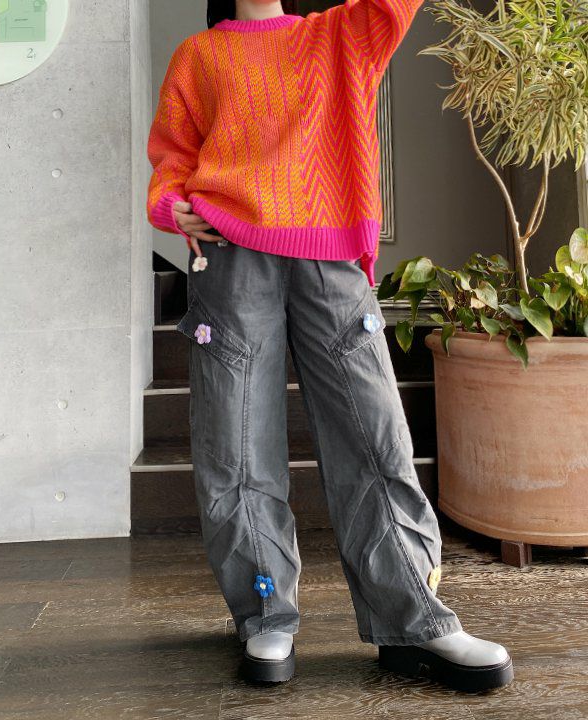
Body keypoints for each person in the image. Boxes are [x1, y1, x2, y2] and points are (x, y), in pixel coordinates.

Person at [146, 0, 514, 692]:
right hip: (230, 256)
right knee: (235, 442)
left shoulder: (341, 32)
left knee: (374, 435)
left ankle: (415, 618)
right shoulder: (200, 56)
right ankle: (264, 612)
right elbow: (174, 153)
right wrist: (174, 204)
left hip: (330, 256)